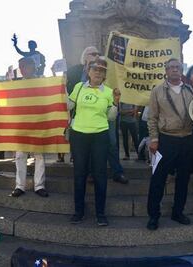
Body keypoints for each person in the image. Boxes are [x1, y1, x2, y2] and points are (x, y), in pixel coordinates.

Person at [145, 58, 193, 230]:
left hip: (187, 139)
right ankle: (153, 215)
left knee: (183, 179)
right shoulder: (157, 91)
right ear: (166, 71)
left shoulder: (189, 90)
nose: (174, 70)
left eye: (177, 67)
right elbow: (152, 118)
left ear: (181, 70)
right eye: (171, 67)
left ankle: (178, 212)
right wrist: (154, 139)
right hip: (166, 139)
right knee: (158, 179)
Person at [68, 57, 119, 226]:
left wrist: (116, 103)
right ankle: (78, 211)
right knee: (79, 173)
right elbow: (68, 106)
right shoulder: (78, 87)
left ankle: (100, 213)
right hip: (79, 135)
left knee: (100, 175)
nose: (98, 72)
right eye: (95, 69)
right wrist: (61, 89)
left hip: (100, 135)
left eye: (101, 70)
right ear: (88, 71)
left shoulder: (109, 92)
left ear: (105, 75)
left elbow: (111, 117)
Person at [11, 57, 49, 198]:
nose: (24, 69)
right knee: (20, 155)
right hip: (21, 125)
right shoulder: (15, 85)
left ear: (33, 67)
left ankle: (39, 185)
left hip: (38, 123)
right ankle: (19, 186)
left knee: (39, 155)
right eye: (22, 67)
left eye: (27, 66)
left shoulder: (42, 83)